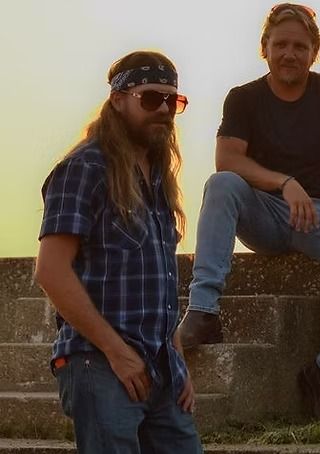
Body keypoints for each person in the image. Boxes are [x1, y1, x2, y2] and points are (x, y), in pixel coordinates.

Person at [177, 3, 320, 421]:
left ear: (314, 52)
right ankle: (202, 310)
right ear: (265, 49)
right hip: (265, 214)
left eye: (299, 46)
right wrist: (285, 182)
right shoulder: (244, 98)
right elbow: (228, 160)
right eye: (281, 45)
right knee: (221, 184)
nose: (289, 54)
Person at [34, 51, 202, 453]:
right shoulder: (85, 167)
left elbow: (157, 279)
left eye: (172, 101)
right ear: (119, 99)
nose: (163, 109)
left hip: (161, 368)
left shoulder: (159, 174)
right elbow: (51, 271)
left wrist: (177, 362)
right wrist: (117, 352)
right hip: (101, 364)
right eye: (150, 98)